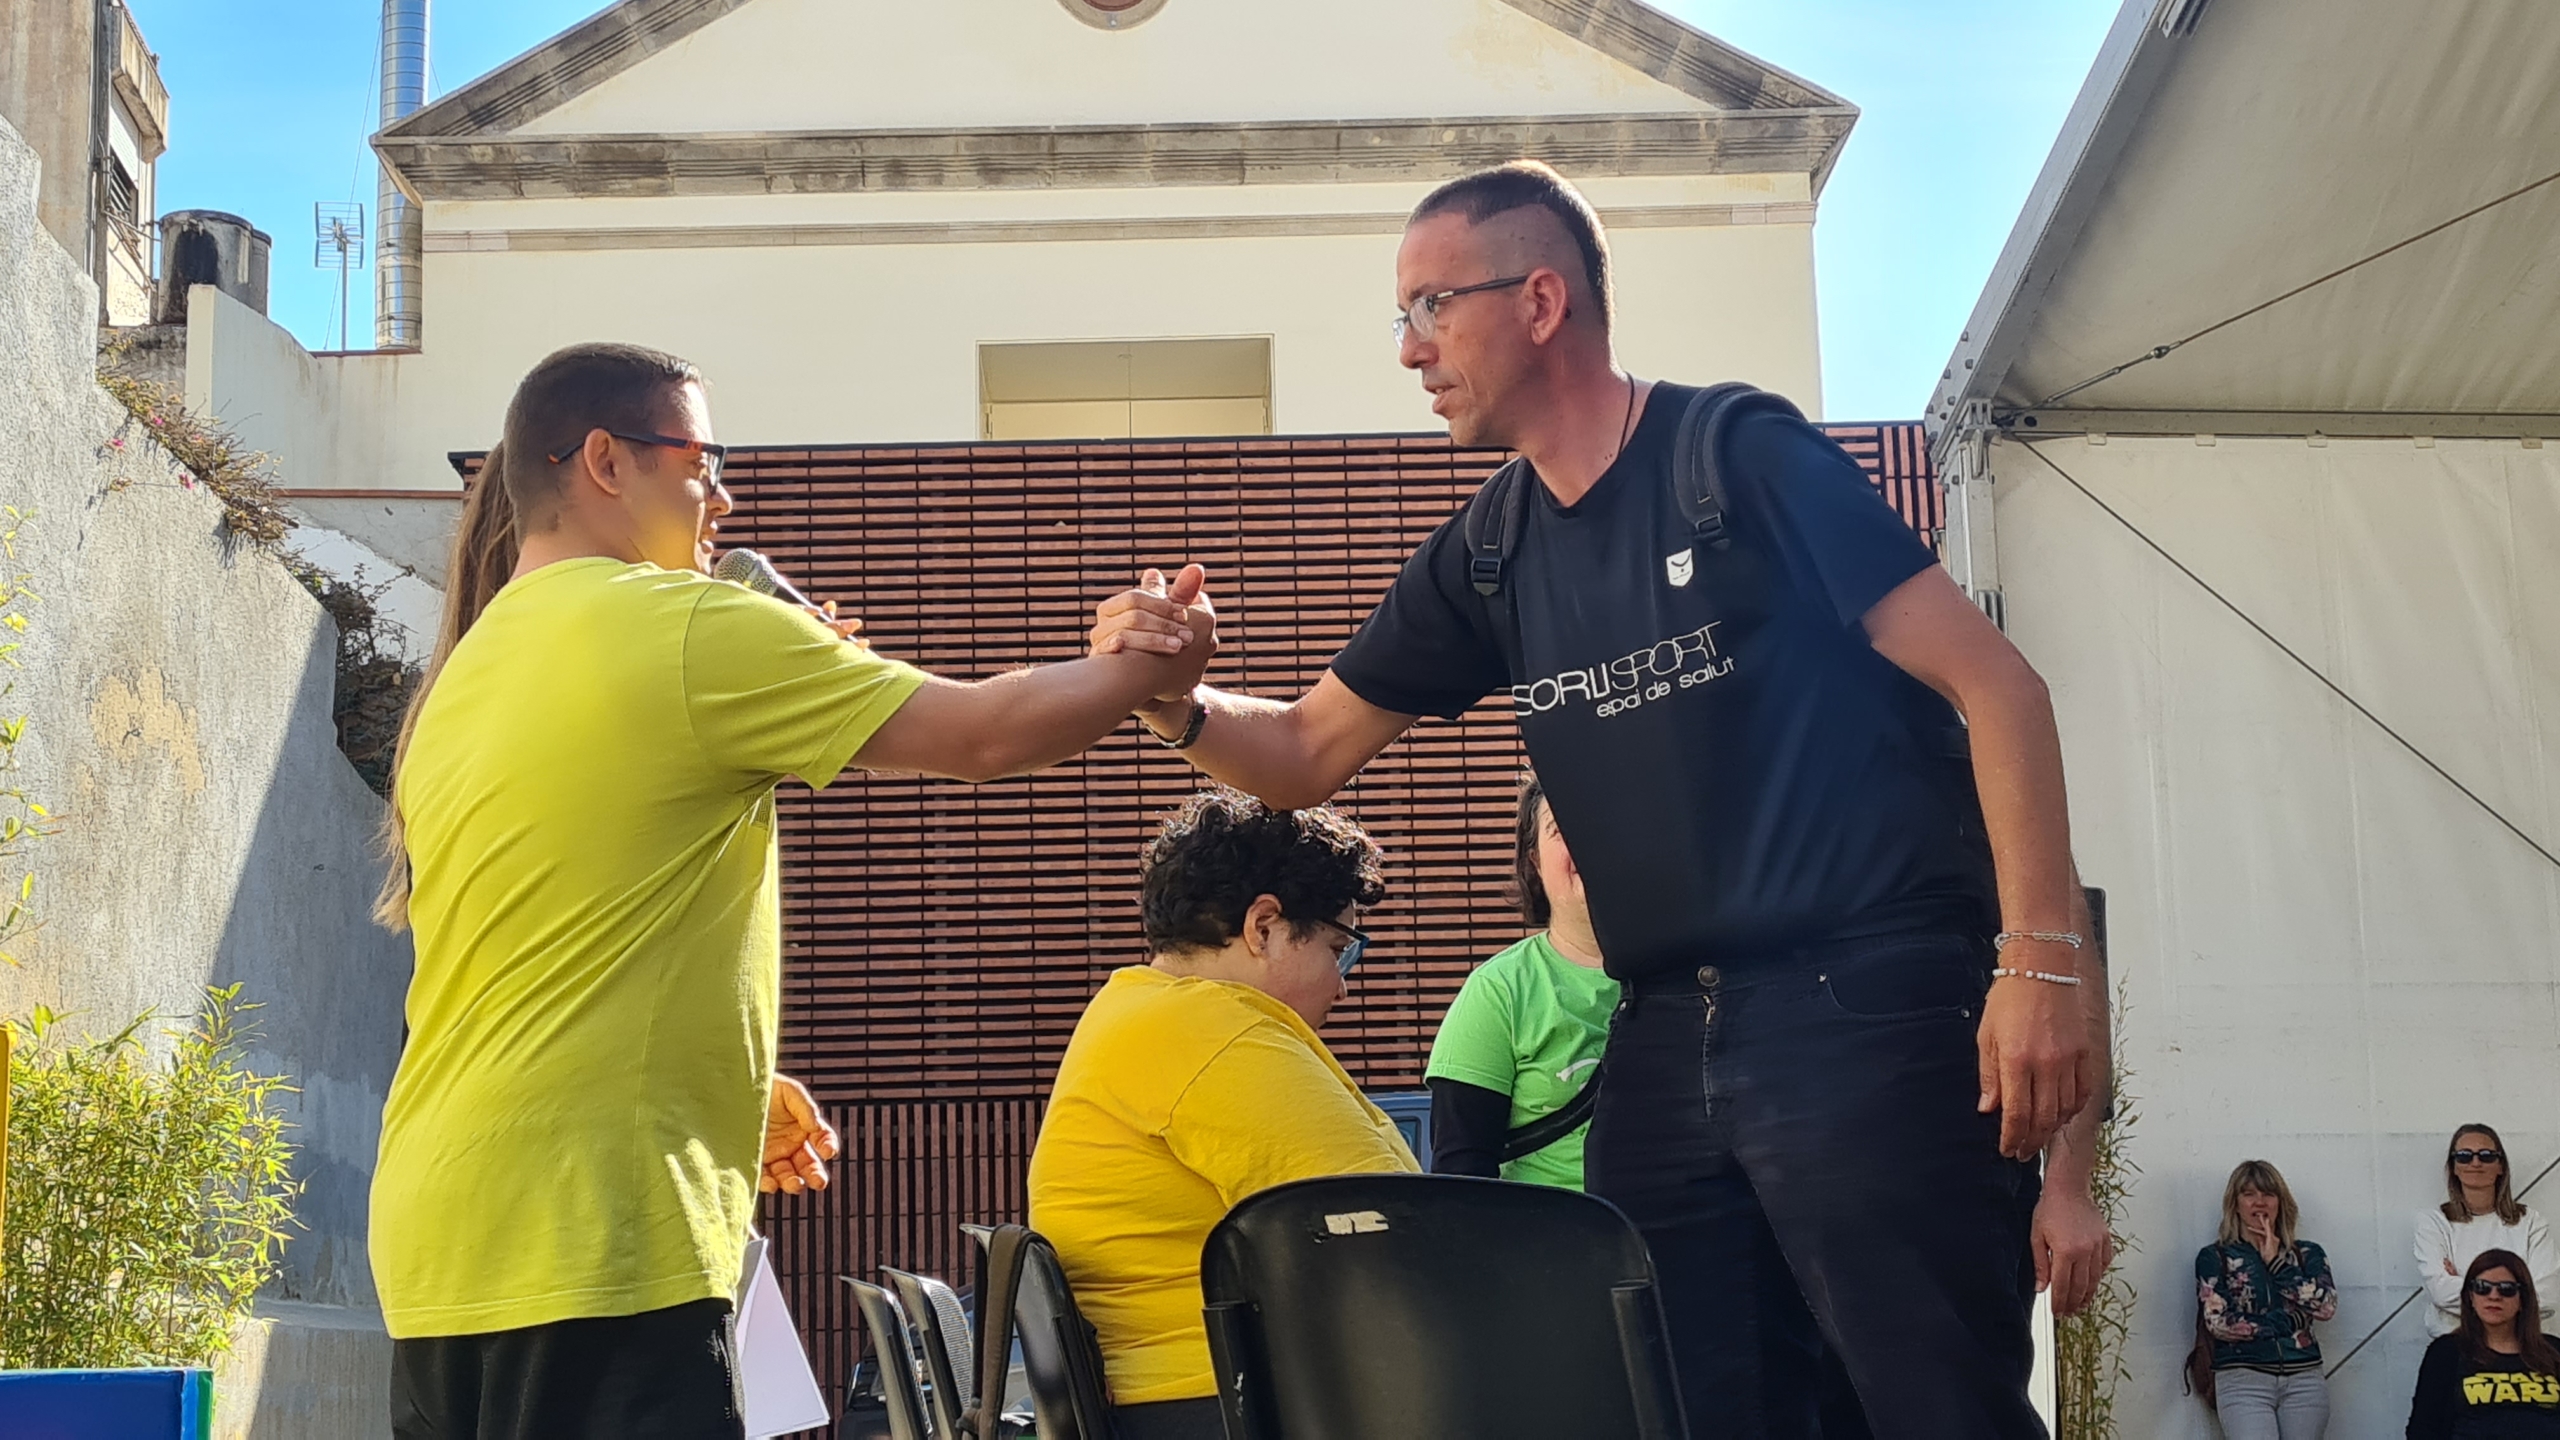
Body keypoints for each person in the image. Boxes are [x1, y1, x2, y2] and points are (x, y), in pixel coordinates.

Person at [1081, 158, 2099, 1437]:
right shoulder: (1490, 548)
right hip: (1661, 1030)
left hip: (1864, 1000)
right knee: (1694, 1409)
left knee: (1930, 1406)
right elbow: (1299, 751)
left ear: (1541, 301)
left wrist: (2039, 963)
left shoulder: (1737, 456)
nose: (1408, 349)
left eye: (1431, 307)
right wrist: (1177, 699)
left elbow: (1998, 686)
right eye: (1400, 316)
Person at [371, 342, 1217, 1440]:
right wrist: (1155, 666)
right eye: (704, 462)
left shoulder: (458, 678)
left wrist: (725, 1076)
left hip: (439, 1236)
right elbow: (984, 735)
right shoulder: (682, 624)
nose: (724, 498)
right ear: (604, 462)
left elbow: (547, 934)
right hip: (598, 1225)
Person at [1026, 788, 1419, 1440]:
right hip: (1236, 1405)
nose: (1343, 985)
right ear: (1263, 926)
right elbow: (1396, 1229)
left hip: (1173, 1407)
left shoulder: (1134, 1014)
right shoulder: (1211, 1031)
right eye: (1337, 947)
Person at [1425, 771, 1617, 1187]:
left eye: (1602, 823)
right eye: (1562, 828)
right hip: (1552, 1227)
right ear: (1534, 862)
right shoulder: (1499, 992)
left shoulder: (1692, 977)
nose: (1586, 839)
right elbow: (1462, 1176)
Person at [2195, 1160, 2339, 1440]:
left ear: (2280, 1203)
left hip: (2304, 1378)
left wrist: (2275, 1263)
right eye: (2249, 1194)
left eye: (2268, 1194)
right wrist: (2288, 1322)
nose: (2259, 1202)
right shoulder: (2215, 1257)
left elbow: (2325, 1306)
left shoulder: (2307, 1254)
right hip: (2243, 1379)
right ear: (2235, 1204)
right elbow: (2219, 1322)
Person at [2420, 1125, 2557, 1338]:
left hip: (2524, 1346)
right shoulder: (2434, 1223)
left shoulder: (2532, 1222)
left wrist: (2465, 1285)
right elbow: (2440, 1292)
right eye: (2464, 1156)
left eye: (2486, 1155)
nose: (2475, 1163)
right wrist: (2516, 1291)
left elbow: (2548, 1295)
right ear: (2454, 1167)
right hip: (2457, 1344)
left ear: (2500, 1166)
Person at [2407, 1248, 2560, 1438]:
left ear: (2523, 1299)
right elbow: (2423, 1429)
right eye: (2482, 1287)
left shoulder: (2554, 1351)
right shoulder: (2446, 1352)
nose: (2494, 1296)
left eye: (2506, 1289)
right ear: (2471, 1296)